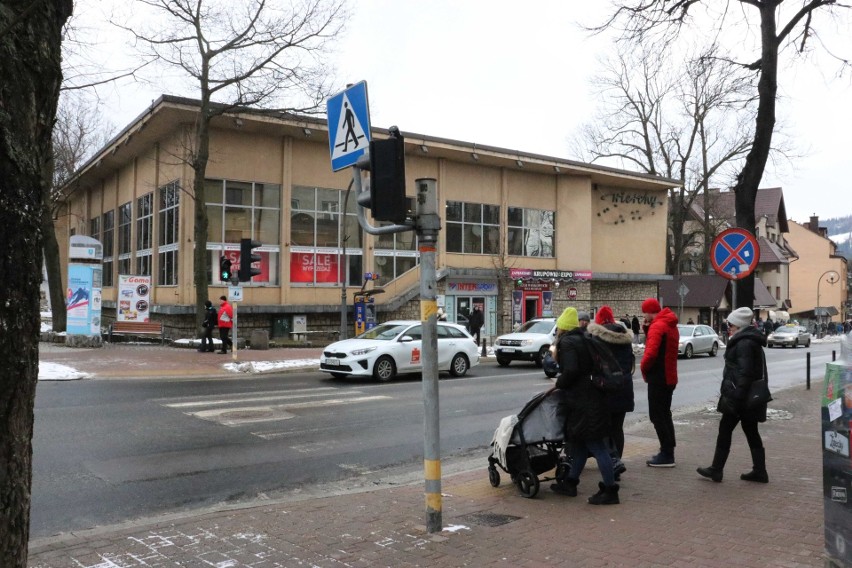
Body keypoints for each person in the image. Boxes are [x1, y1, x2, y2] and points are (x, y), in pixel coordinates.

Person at [550, 307, 619, 505]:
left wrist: (559, 383)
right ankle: (570, 482)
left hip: (584, 402)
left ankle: (610, 490)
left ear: (562, 327)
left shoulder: (568, 342)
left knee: (597, 445)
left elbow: (571, 370)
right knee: (579, 443)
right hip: (591, 398)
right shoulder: (584, 338)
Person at [697, 307, 770, 483]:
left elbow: (745, 373)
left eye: (730, 324)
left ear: (738, 325)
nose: (727, 326)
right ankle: (759, 471)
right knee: (751, 431)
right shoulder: (748, 340)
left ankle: (716, 469)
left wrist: (736, 397)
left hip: (740, 397)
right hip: (746, 397)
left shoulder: (744, 343)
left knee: (725, 430)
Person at [587, 305, 635, 481]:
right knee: (617, 428)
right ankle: (617, 461)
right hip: (624, 387)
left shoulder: (597, 337)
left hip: (605, 389)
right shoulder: (625, 338)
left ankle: (611, 463)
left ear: (598, 320)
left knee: (604, 429)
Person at [639, 298, 679, 467]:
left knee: (657, 415)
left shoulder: (658, 326)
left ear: (649, 311)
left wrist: (643, 368)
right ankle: (669, 448)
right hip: (669, 376)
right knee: (665, 413)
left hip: (658, 377)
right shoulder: (670, 324)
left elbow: (650, 353)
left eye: (645, 313)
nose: (644, 316)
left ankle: (666, 453)